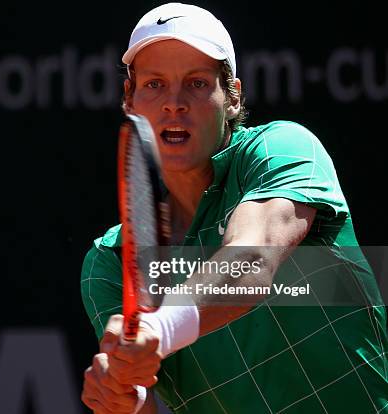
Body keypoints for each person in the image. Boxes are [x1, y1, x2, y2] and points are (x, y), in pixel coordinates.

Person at [80, 3, 388, 413]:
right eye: (154, 84)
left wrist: (158, 326)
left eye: (196, 83)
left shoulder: (283, 148)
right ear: (130, 101)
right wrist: (125, 397)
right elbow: (144, 397)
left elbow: (253, 258)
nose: (174, 103)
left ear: (232, 97)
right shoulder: (109, 262)